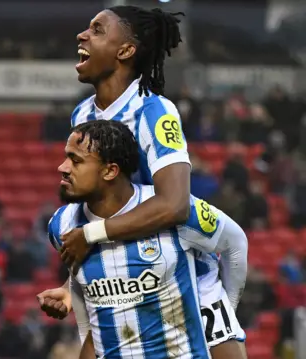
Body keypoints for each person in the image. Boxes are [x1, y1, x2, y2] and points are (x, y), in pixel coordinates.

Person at [39, 6, 248, 358]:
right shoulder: (83, 115)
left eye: (97, 30)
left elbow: (175, 204)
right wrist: (69, 285)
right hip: (123, 279)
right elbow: (92, 208)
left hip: (185, 275)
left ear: (125, 50)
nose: (82, 35)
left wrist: (223, 305)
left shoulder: (154, 111)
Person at [40, 121, 248, 358]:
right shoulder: (61, 226)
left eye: (76, 161)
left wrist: (229, 310)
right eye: (66, 157)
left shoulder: (174, 211)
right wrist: (68, 293)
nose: (62, 167)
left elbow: (236, 243)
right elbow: (85, 285)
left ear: (110, 171)